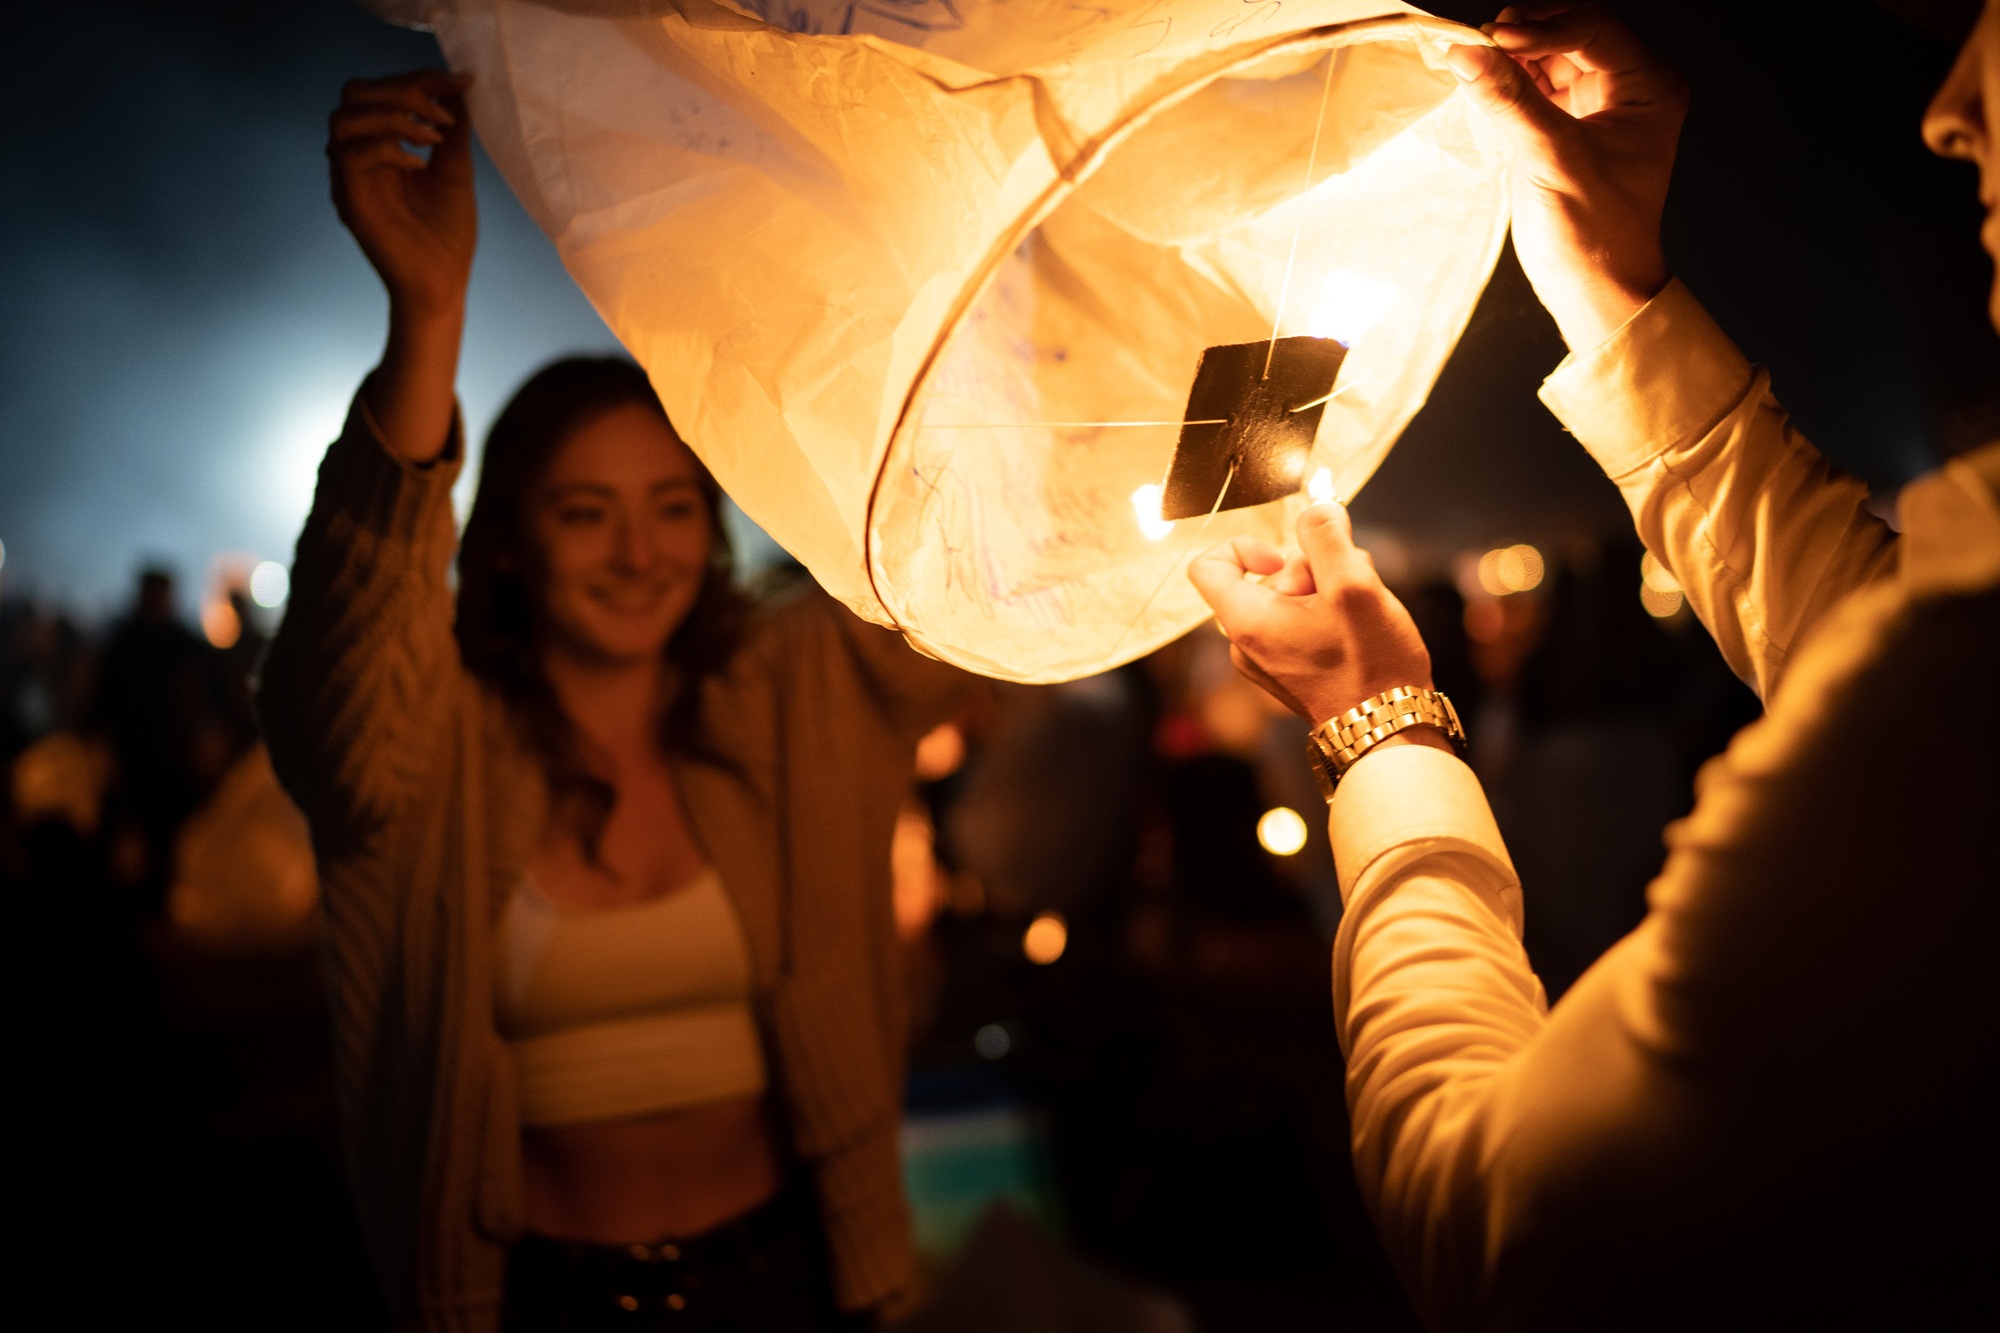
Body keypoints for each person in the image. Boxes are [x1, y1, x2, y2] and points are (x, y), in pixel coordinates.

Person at [1189, 2, 1999, 1326]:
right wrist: (1612, 288)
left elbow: (1499, 1224)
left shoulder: (1942, 722)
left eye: (1991, 19)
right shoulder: (1945, 669)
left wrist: (1376, 726)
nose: (1947, 107)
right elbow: (1864, 625)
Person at [261, 70, 964, 1332]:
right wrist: (427, 313)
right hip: (533, 1297)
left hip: (792, 1280)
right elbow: (346, 668)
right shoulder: (436, 749)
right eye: (586, 514)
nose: (639, 556)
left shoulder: (793, 694)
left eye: (673, 509)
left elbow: (983, 597)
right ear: (511, 543)